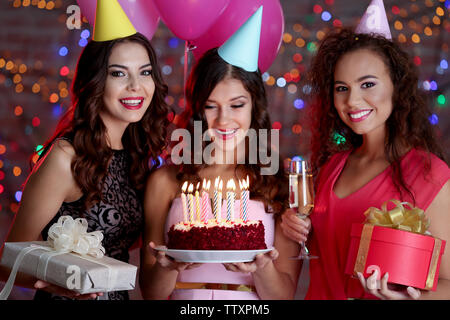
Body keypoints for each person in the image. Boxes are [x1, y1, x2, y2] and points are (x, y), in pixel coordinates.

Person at [0, 1, 169, 300]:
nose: (135, 86)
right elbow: (8, 260)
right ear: (96, 81)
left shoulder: (139, 156)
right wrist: (58, 282)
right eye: (118, 74)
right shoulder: (65, 158)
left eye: (144, 73)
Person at [139, 7, 302, 300]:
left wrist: (262, 268)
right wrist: (169, 267)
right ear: (198, 110)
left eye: (237, 105)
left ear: (255, 107)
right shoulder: (165, 181)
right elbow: (151, 293)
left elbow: (284, 296)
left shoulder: (278, 184)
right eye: (211, 106)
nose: (223, 120)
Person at [280, 25, 450, 300]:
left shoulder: (429, 173)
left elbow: (448, 282)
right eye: (341, 88)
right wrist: (296, 228)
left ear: (397, 85)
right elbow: (323, 250)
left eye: (367, 84)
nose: (353, 100)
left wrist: (408, 298)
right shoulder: (331, 168)